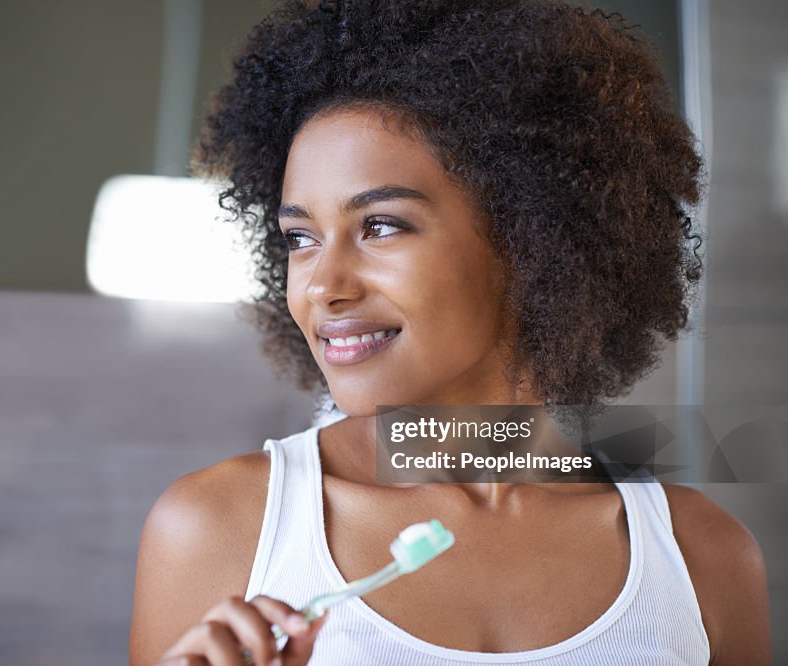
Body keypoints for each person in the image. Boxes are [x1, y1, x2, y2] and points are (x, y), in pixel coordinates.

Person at [130, 1, 772, 663]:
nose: (323, 286)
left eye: (380, 226)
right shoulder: (218, 528)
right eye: (300, 238)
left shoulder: (703, 557)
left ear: (531, 235)